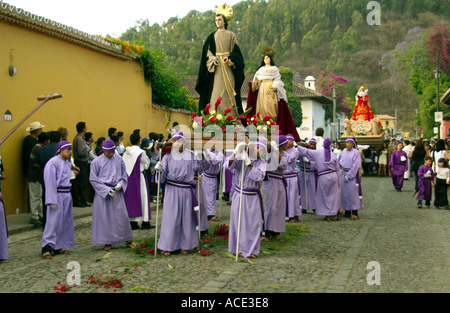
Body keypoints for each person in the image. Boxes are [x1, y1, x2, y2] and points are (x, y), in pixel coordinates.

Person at [155, 132, 207, 256]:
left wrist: (202, 156)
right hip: (172, 190)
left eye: (179, 141)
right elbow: (161, 179)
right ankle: (168, 246)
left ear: (184, 143)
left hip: (186, 190)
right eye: (174, 141)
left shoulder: (191, 155)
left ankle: (186, 245)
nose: (176, 143)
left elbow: (200, 169)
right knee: (171, 217)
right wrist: (159, 171)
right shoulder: (167, 157)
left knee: (186, 218)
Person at [195, 4, 245, 118]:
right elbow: (206, 53)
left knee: (229, 93)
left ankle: (231, 117)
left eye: (219, 19)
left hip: (228, 68)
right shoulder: (212, 36)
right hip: (216, 70)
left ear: (224, 21)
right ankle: (214, 117)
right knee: (215, 93)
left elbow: (237, 52)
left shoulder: (231, 35)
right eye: (216, 20)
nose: (217, 22)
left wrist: (231, 60)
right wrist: (213, 59)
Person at [89, 139, 137, 251]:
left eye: (112, 151)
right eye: (108, 152)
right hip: (103, 193)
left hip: (117, 191)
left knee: (121, 216)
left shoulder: (119, 159)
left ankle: (127, 239)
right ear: (104, 151)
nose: (111, 154)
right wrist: (105, 190)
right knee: (105, 218)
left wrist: (121, 183)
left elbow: (124, 175)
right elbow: (93, 179)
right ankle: (107, 241)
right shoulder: (96, 162)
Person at [225, 140, 267, 259]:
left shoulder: (263, 163)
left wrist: (249, 164)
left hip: (253, 196)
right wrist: (235, 152)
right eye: (257, 148)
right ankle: (238, 248)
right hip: (239, 194)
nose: (258, 151)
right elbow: (228, 165)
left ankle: (252, 249)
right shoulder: (241, 157)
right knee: (238, 222)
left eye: (262, 150)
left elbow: (259, 177)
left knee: (253, 224)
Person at [41, 141, 75, 259]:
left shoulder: (66, 162)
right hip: (57, 195)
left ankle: (58, 245)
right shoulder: (53, 162)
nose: (70, 152)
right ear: (61, 150)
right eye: (68, 150)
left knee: (64, 221)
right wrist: (51, 199)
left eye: (71, 150)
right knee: (53, 221)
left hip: (66, 194)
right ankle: (47, 246)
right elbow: (50, 182)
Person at [297, 138, 340, 221]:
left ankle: (328, 214)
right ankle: (333, 212)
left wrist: (297, 145)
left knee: (324, 195)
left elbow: (306, 151)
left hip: (324, 176)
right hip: (333, 175)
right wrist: (338, 180)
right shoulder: (333, 155)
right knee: (332, 195)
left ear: (323, 145)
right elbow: (338, 168)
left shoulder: (318, 153)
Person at [261, 136, 289, 242]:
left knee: (279, 207)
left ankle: (275, 232)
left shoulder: (284, 154)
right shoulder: (270, 153)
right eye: (286, 143)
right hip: (271, 180)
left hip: (280, 181)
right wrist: (274, 149)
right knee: (270, 207)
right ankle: (265, 232)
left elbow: (284, 165)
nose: (288, 144)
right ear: (282, 144)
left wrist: (277, 151)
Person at [122, 133, 152, 230]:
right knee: (143, 197)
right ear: (139, 141)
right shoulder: (140, 152)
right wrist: (145, 166)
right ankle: (145, 222)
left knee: (131, 199)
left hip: (128, 178)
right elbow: (147, 162)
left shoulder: (126, 152)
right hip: (139, 177)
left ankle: (133, 223)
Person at [38, 131, 62, 229]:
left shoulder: (42, 149)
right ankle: (57, 224)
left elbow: (38, 163)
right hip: (58, 180)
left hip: (44, 179)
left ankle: (46, 224)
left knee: (46, 201)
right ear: (60, 139)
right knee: (58, 202)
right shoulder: (61, 149)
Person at [28, 132, 49, 227]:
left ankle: (39, 214)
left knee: (39, 196)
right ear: (45, 140)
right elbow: (36, 164)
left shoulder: (38, 148)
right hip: (34, 176)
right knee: (35, 197)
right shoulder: (38, 149)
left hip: (37, 177)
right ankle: (34, 216)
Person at [339, 137, 363, 220]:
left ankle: (355, 212)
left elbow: (356, 165)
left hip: (352, 175)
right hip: (344, 173)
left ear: (353, 144)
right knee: (345, 193)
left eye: (350, 143)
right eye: (347, 143)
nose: (349, 144)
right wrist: (340, 171)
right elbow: (339, 163)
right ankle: (347, 211)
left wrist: (349, 175)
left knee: (353, 193)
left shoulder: (356, 152)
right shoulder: (342, 152)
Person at [281, 132, 301, 223]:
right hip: (284, 176)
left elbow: (288, 160)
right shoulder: (281, 151)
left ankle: (294, 216)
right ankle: (285, 214)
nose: (289, 142)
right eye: (287, 140)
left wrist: (282, 152)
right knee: (284, 197)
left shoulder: (295, 151)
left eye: (291, 140)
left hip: (292, 176)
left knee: (293, 196)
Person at [202, 148, 224, 222]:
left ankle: (211, 212)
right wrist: (220, 151)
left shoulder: (215, 151)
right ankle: (210, 214)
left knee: (213, 196)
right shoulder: (208, 152)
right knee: (209, 196)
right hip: (208, 177)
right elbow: (217, 160)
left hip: (214, 177)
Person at [72, 122, 92, 208]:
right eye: (86, 127)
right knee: (80, 183)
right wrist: (87, 150)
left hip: (83, 162)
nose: (87, 128)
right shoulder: (79, 139)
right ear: (83, 129)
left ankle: (83, 200)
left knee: (83, 183)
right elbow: (80, 152)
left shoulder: (81, 138)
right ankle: (79, 200)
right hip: (80, 162)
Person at [299, 138, 317, 214]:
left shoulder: (316, 153)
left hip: (311, 172)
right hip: (303, 171)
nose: (311, 146)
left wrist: (309, 162)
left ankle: (313, 206)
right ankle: (304, 206)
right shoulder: (304, 151)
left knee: (312, 190)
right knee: (303, 190)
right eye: (310, 144)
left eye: (313, 144)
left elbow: (317, 163)